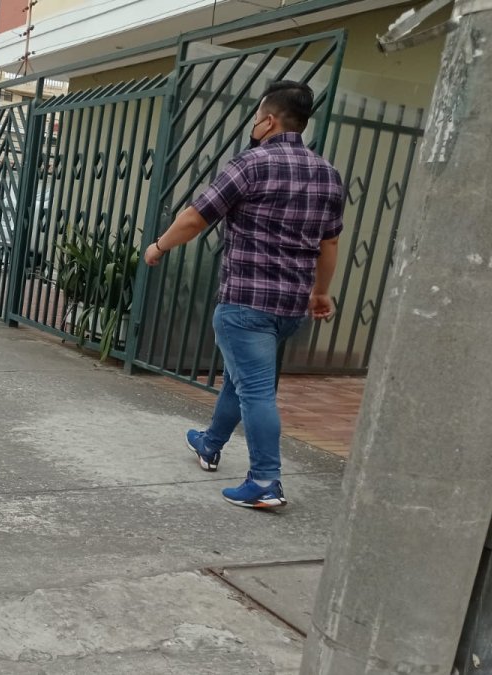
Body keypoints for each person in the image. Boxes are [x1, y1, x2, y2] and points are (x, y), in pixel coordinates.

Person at [143, 80, 344, 509]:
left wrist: (158, 246)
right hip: (289, 308)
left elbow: (196, 218)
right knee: (243, 380)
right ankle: (210, 443)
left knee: (256, 391)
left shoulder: (250, 165)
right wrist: (320, 293)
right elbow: (329, 243)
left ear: (268, 121)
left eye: (256, 117)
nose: (254, 124)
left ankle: (265, 481)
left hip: (246, 303)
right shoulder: (328, 174)